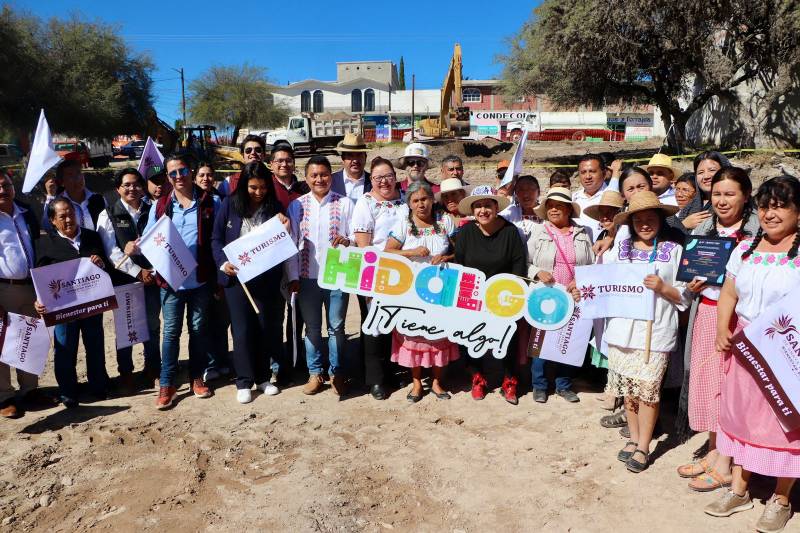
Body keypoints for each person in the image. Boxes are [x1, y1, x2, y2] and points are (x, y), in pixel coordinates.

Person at [704, 176, 800, 532]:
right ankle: (740, 489)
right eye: (764, 206)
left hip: (787, 352)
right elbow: (729, 294)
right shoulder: (745, 249)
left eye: (780, 206)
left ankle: (781, 498)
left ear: (798, 211)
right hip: (746, 348)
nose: (770, 214)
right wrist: (721, 330)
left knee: (784, 424)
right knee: (743, 418)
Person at [676, 167, 758, 492]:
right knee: (708, 385)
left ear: (746, 196)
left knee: (729, 390)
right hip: (705, 313)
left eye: (730, 194)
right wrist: (693, 286)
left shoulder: (755, 234)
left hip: (736, 321)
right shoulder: (705, 228)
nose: (721, 201)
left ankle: (725, 463)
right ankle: (713, 451)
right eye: (717, 194)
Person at [603, 191, 686, 473]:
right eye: (639, 219)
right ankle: (634, 436)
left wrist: (663, 288)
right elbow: (605, 284)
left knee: (648, 390)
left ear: (660, 220)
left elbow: (684, 295)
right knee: (629, 390)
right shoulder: (620, 249)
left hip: (655, 330)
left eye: (651, 218)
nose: (645, 224)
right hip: (623, 330)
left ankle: (643, 446)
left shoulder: (673, 251)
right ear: (631, 222)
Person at [131, 154, 220, 409]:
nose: (178, 177)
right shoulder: (160, 205)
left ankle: (196, 378)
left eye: (182, 171)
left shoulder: (209, 202)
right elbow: (148, 239)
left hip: (199, 282)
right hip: (171, 283)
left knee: (198, 331)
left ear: (190, 171)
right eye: (173, 174)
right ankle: (167, 383)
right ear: (168, 178)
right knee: (170, 333)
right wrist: (136, 246)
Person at [212, 162, 283, 404]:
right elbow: (216, 238)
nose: (258, 192)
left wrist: (286, 225)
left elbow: (283, 239)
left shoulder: (275, 207)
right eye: (253, 187)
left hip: (265, 279)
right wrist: (223, 263)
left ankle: (263, 378)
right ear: (244, 185)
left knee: (264, 327)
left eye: (263, 187)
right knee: (241, 330)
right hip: (237, 280)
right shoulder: (229, 205)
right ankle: (243, 381)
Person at [34, 199, 113, 407]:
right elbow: (40, 280)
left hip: (91, 305)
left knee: (95, 344)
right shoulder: (45, 244)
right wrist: (39, 301)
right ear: (52, 220)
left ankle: (98, 386)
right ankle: (68, 391)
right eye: (62, 216)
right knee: (65, 349)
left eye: (71, 214)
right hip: (63, 309)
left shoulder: (92, 237)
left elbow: (106, 268)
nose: (69, 219)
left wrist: (101, 263)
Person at [287, 156, 354, 396]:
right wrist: (293, 276)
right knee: (312, 328)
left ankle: (337, 373)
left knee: (336, 327)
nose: (319, 179)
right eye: (314, 175)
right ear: (306, 178)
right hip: (307, 277)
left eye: (324, 174)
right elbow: (291, 244)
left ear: (331, 176)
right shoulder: (297, 206)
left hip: (337, 277)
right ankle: (315, 373)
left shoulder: (345, 204)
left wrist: (348, 241)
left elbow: (357, 237)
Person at [385, 181, 457, 402]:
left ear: (432, 200)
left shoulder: (445, 221)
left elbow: (459, 250)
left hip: (441, 288)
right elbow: (387, 251)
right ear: (409, 204)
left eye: (424, 199)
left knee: (438, 335)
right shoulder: (403, 225)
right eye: (415, 200)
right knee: (414, 335)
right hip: (412, 290)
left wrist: (446, 257)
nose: (421, 204)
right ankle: (416, 382)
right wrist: (411, 251)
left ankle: (436, 381)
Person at [454, 185, 526, 404]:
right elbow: (460, 265)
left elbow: (518, 265)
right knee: (474, 337)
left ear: (496, 207)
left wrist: (513, 297)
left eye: (487, 205)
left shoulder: (510, 231)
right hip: (474, 296)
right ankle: (478, 378)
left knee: (507, 339)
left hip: (504, 296)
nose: (483, 210)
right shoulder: (466, 232)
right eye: (478, 206)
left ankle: (508, 380)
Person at [95, 168, 161, 390]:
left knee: (152, 325)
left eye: (136, 184)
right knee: (127, 327)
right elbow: (111, 252)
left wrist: (151, 271)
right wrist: (136, 271)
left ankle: (153, 367)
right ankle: (126, 372)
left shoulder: (153, 209)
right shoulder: (108, 214)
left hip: (152, 278)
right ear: (118, 189)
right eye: (127, 185)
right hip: (125, 281)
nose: (132, 188)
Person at [526, 187, 592, 403]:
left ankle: (564, 385)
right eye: (550, 206)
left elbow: (592, 264)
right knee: (541, 342)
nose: (554, 209)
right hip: (546, 296)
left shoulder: (583, 233)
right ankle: (539, 385)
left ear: (568, 209)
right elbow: (525, 262)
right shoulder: (539, 231)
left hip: (574, 296)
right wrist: (537, 272)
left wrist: (581, 281)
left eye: (559, 206)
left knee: (569, 341)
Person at [352, 157, 408, 400]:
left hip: (405, 273)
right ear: (371, 180)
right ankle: (375, 379)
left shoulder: (405, 199)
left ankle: (395, 371)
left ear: (395, 176)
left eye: (388, 176)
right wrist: (371, 280)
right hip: (375, 272)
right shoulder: (365, 203)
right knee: (374, 326)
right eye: (378, 178)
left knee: (398, 325)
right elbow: (364, 245)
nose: (384, 182)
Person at [0, 171, 55, 418]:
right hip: (3, 288)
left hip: (31, 286)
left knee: (30, 338)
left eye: (6, 185)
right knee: (1, 343)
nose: (3, 190)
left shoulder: (26, 212)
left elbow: (40, 242)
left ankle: (29, 391)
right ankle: (4, 397)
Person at [269, 142, 310, 384]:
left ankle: (297, 359)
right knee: (275, 316)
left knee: (297, 314)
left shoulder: (304, 188)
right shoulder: (266, 187)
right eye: (279, 160)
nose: (284, 164)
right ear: (271, 164)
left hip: (298, 259)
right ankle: (277, 364)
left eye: (288, 160)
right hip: (272, 262)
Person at [193, 161, 231, 381]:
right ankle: (209, 364)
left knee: (221, 318)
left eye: (209, 175)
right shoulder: (193, 201)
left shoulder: (221, 200)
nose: (206, 178)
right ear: (195, 178)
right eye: (201, 175)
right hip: (201, 268)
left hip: (219, 265)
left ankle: (223, 359)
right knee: (204, 320)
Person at [43, 157, 107, 232]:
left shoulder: (98, 199)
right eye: (70, 175)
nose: (78, 178)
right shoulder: (58, 204)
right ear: (62, 182)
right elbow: (47, 227)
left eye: (79, 172)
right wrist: (50, 196)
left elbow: (109, 225)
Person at [672, 151, 731, 232]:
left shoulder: (734, 205)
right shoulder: (689, 207)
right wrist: (683, 225)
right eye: (700, 172)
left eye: (712, 170)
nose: (706, 176)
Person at [572, 155, 608, 242]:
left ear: (604, 173)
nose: (588, 176)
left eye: (592, 171)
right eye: (583, 172)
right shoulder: (573, 198)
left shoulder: (611, 196)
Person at [332, 133, 371, 202]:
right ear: (343, 158)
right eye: (350, 156)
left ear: (365, 157)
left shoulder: (373, 181)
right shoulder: (331, 181)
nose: (355, 160)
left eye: (359, 155)